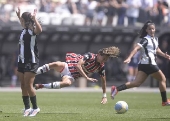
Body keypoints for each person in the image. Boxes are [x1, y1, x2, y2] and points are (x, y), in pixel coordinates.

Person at [111, 20, 170, 106]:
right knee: (163, 79)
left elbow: (156, 49)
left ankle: (116, 89)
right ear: (146, 30)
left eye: (153, 29)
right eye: (150, 29)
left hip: (143, 65)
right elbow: (136, 49)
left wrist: (164, 55)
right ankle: (164, 101)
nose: (152, 30)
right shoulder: (145, 40)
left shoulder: (155, 39)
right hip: (149, 64)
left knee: (136, 83)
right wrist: (129, 58)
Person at [35, 46, 120, 104]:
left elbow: (103, 82)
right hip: (68, 66)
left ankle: (42, 86)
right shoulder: (90, 56)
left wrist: (104, 96)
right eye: (104, 58)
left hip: (72, 76)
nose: (104, 61)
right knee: (56, 64)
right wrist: (86, 77)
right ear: (99, 54)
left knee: (67, 83)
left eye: (106, 60)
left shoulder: (101, 67)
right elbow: (78, 65)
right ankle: (33, 72)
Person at [16, 7, 42, 116]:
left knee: (28, 84)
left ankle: (35, 108)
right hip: (21, 60)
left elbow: (40, 30)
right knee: (23, 85)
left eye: (22, 19)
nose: (21, 21)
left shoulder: (32, 30)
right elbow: (22, 22)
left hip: (31, 61)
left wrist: (35, 18)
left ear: (26, 21)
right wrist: (18, 16)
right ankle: (27, 108)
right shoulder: (24, 29)